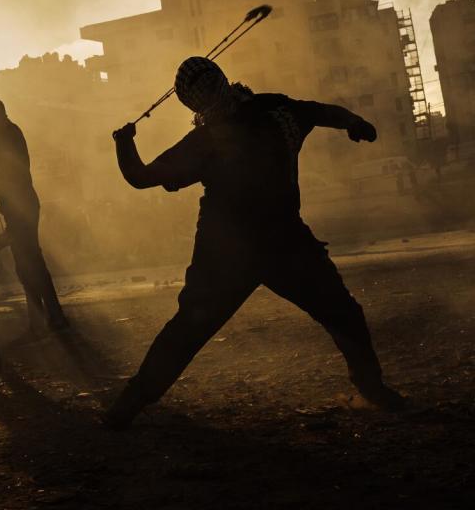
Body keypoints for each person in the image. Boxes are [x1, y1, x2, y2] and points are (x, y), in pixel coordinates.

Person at [104, 56, 404, 429]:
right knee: (341, 312)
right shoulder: (274, 110)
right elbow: (322, 112)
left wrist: (123, 143)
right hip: (279, 242)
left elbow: (140, 176)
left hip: (228, 249)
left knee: (188, 329)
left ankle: (128, 405)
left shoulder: (207, 139)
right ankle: (371, 388)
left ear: (190, 104)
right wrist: (354, 123)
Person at [0, 67, 69, 337]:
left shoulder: (6, 138)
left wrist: (10, 226)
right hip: (21, 207)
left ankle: (48, 318)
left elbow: (14, 182)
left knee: (29, 263)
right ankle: (46, 317)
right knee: (27, 263)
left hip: (20, 208)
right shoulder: (6, 131)